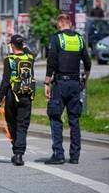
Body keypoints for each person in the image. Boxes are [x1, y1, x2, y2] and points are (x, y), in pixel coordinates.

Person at [44, 14, 91, 165]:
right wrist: (85, 80)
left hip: (60, 84)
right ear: (70, 24)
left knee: (55, 118)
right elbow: (88, 63)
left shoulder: (56, 38)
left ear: (59, 25)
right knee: (74, 120)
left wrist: (46, 82)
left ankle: (58, 155)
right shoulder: (79, 39)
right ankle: (75, 156)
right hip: (75, 84)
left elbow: (51, 61)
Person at [0, 34, 36, 166]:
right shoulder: (30, 58)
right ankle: (19, 154)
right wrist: (23, 45)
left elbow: (5, 82)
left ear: (12, 45)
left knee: (12, 124)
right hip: (26, 95)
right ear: (22, 45)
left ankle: (16, 152)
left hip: (12, 96)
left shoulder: (9, 60)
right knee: (23, 125)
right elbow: (29, 51)